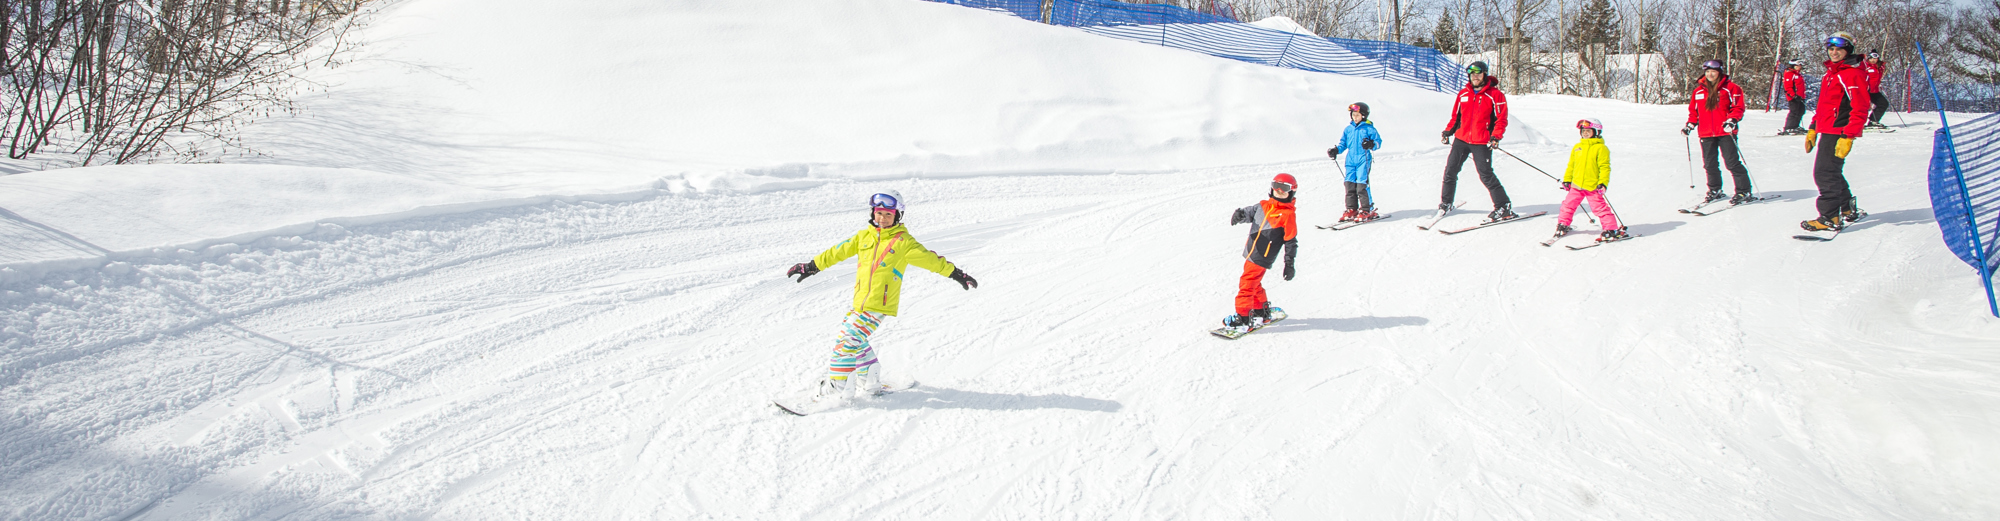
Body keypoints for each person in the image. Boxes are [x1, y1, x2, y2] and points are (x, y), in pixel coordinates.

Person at [784, 190, 978, 402]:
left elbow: (931, 260)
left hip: (878, 305)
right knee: (852, 337)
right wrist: (811, 267)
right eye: (879, 213)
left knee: (847, 341)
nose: (882, 218)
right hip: (859, 302)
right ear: (872, 213)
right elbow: (836, 252)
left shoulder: (903, 243)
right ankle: (869, 379)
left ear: (897, 216)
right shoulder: (863, 237)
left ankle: (837, 389)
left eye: (888, 214)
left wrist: (957, 274)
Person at [1801, 32, 1872, 232]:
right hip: (1828, 129)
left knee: (1824, 173)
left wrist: (1849, 135)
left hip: (1839, 131)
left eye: (1838, 49)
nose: (1834, 53)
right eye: (1831, 49)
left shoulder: (1852, 74)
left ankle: (1830, 217)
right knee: (1832, 171)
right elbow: (1825, 106)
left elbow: (1860, 107)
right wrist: (1814, 128)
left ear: (1847, 51)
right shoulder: (1832, 74)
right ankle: (1846, 208)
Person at [1436, 61, 1516, 222]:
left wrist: (1496, 136)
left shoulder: (1495, 95)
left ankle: (1503, 206)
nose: (1475, 77)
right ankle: (1446, 203)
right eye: (1472, 74)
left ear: (1484, 75)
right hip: (1461, 139)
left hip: (1482, 141)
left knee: (1485, 174)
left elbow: (1501, 119)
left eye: (1478, 74)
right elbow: (1456, 117)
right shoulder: (1463, 94)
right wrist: (1448, 131)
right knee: (1450, 171)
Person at [1223, 174, 1299, 332]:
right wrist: (1239, 214)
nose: (1279, 191)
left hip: (1262, 256)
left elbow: (1291, 241)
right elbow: (1249, 213)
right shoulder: (1263, 205)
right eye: (1276, 187)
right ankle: (1260, 310)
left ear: (1291, 192)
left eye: (1284, 189)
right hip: (1251, 252)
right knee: (1254, 283)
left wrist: (1289, 264)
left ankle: (1243, 317)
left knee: (1247, 284)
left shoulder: (1287, 215)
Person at [1681, 59, 1756, 204]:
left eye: (1713, 72)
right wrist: (1690, 125)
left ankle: (1743, 191)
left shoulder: (1731, 88)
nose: (1710, 74)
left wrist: (1732, 120)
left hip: (1725, 132)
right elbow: (1694, 112)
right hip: (1706, 132)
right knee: (1709, 164)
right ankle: (1715, 189)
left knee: (1732, 163)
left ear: (1719, 72)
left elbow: (1738, 108)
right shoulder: (1698, 91)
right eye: (1707, 72)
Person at [1555, 118, 1628, 241]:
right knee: (1568, 206)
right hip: (1576, 186)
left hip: (1592, 186)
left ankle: (1610, 229)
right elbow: (1571, 165)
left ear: (1597, 132)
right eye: (1583, 131)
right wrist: (1567, 180)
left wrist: (1603, 183)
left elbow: (1604, 167)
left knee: (1599, 208)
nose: (1585, 134)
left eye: (1589, 131)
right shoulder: (1577, 147)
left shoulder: (1601, 148)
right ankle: (1563, 225)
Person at [1327, 102, 1384, 222]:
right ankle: (1351, 209)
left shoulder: (1369, 129)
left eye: (1357, 115)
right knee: (1349, 184)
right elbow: (1343, 143)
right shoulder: (1348, 129)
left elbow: (1378, 142)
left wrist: (1371, 144)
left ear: (1363, 116)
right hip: (1350, 160)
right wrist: (1336, 150)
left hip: (1363, 159)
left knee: (1361, 185)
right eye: (1353, 115)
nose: (1355, 117)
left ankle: (1366, 209)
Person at [1863, 50, 1891, 129]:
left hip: (1874, 91)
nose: (1873, 60)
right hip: (1865, 90)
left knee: (1883, 103)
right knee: (1860, 107)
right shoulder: (1865, 66)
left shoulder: (1879, 67)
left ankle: (1873, 121)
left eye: (1875, 58)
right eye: (1871, 58)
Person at [1780, 59, 1809, 135]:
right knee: (1794, 111)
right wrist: (1793, 95)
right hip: (1794, 97)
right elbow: (1788, 87)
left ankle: (1795, 126)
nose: (1800, 67)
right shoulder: (1790, 74)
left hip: (1800, 97)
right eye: (1798, 65)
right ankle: (1789, 127)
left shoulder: (1798, 74)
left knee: (1801, 111)